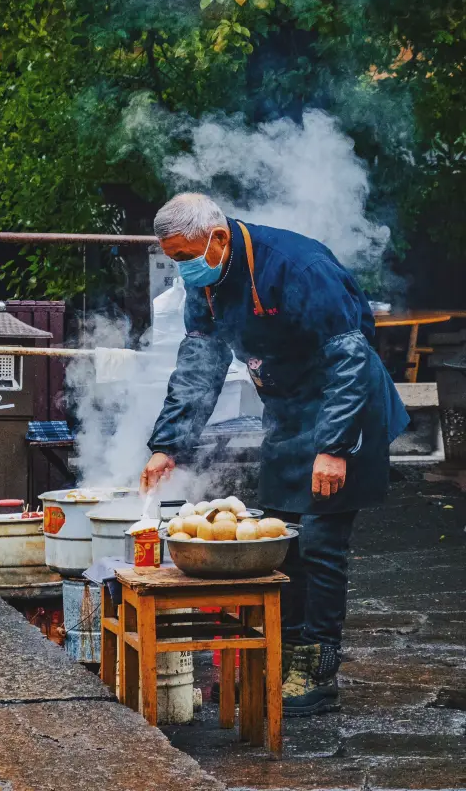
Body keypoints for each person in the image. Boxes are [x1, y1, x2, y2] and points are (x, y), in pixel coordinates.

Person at [141, 192, 408, 716]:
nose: (181, 270)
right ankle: (279, 655)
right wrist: (167, 445)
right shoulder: (209, 283)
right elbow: (200, 361)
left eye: (184, 257)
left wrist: (334, 447)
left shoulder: (297, 265)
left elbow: (350, 357)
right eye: (172, 259)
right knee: (278, 544)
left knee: (322, 542)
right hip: (288, 413)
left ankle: (316, 672)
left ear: (218, 239)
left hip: (347, 409)